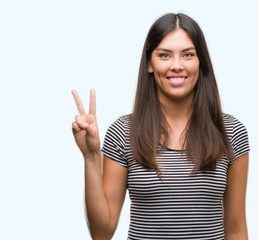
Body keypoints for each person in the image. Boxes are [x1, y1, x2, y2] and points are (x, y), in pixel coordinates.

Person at [71, 13, 249, 240]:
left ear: (200, 61)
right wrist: (90, 156)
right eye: (164, 55)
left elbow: (235, 229)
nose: (176, 65)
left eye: (188, 55)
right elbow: (101, 232)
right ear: (149, 64)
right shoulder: (122, 132)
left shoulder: (231, 132)